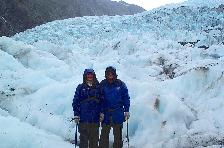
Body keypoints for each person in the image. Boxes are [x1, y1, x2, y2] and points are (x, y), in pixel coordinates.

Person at [99, 66, 130, 148]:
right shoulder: (102, 84)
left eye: (111, 73)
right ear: (106, 74)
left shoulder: (120, 84)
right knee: (104, 136)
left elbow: (126, 98)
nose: (110, 75)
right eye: (108, 73)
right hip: (106, 114)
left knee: (118, 136)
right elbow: (99, 99)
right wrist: (101, 112)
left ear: (114, 74)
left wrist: (126, 110)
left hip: (118, 113)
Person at [72, 69, 102, 148]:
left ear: (93, 76)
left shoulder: (98, 87)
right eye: (87, 75)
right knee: (83, 142)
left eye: (91, 74)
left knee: (94, 141)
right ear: (85, 76)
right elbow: (76, 101)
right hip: (83, 119)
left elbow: (102, 101)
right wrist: (76, 114)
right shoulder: (80, 87)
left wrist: (102, 113)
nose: (89, 76)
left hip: (95, 119)